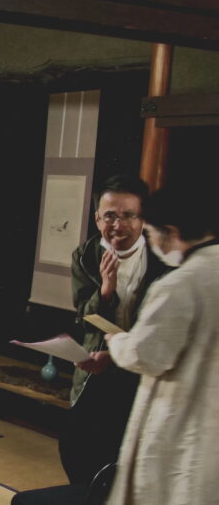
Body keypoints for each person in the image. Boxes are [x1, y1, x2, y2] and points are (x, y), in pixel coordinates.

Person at [95, 186, 218, 505]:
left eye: (149, 231)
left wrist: (117, 341)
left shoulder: (181, 283)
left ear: (171, 231)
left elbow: (150, 354)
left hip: (181, 413)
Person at [61, 174, 169, 485]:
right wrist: (105, 291)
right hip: (98, 363)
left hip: (143, 367)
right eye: (109, 216)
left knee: (131, 452)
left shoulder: (162, 256)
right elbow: (84, 317)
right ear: (97, 219)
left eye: (128, 215)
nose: (118, 225)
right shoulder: (85, 256)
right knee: (78, 448)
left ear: (142, 218)